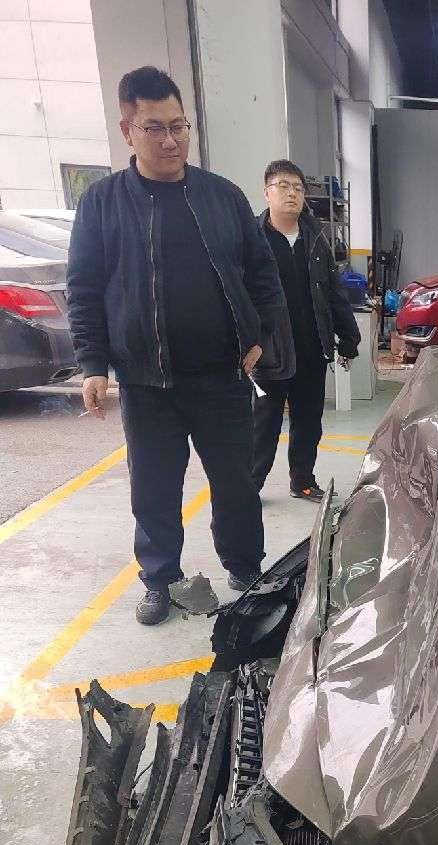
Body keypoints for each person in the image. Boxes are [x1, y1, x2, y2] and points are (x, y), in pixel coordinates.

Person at [67, 65, 292, 626]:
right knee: (154, 491)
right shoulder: (102, 203)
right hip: (145, 383)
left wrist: (259, 337)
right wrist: (93, 364)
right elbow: (84, 287)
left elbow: (263, 274)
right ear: (128, 130)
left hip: (221, 376)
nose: (170, 140)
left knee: (236, 484)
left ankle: (245, 568)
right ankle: (160, 579)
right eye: (155, 128)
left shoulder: (222, 197)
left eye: (178, 126)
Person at [251, 160, 361, 502]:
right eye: (283, 186)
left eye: (298, 188)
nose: (292, 194)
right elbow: (237, 296)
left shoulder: (316, 239)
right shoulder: (252, 240)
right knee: (263, 423)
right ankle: (249, 487)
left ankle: (302, 480)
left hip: (312, 347)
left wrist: (348, 338)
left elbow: (334, 292)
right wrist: (243, 344)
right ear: (267, 192)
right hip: (268, 352)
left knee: (309, 421)